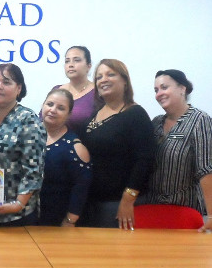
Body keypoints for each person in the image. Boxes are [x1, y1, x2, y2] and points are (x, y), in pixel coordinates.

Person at [78, 59, 154, 229]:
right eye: (99, 77)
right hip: (90, 203)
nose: (103, 79)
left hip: (118, 204)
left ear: (125, 81)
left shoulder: (135, 114)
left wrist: (128, 199)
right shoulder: (94, 114)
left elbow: (145, 160)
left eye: (110, 74)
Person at [0, 63, 46, 226]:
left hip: (15, 215)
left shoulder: (28, 120)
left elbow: (34, 169)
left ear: (18, 88)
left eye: (6, 82)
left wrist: (18, 204)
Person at [141, 69, 212, 232]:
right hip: (155, 212)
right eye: (156, 90)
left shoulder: (200, 120)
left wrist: (211, 215)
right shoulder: (156, 123)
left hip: (189, 214)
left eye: (164, 87)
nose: (159, 94)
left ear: (182, 88)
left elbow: (206, 169)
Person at [38, 88, 91, 226]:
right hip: (24, 216)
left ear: (69, 115)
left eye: (61, 108)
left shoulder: (75, 148)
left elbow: (81, 188)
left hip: (56, 221)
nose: (53, 110)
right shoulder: (27, 135)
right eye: (49, 104)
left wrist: (69, 221)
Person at [43, 46, 94, 135]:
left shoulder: (98, 92)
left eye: (77, 60)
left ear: (88, 66)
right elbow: (42, 119)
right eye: (67, 61)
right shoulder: (57, 90)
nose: (70, 65)